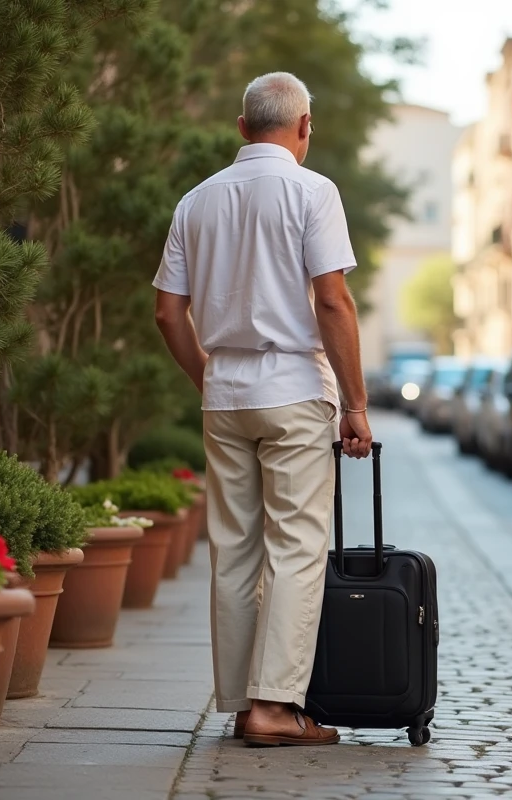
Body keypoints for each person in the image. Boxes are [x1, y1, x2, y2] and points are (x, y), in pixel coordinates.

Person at [153, 72, 371, 748]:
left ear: (242, 128)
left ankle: (241, 702)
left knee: (234, 549)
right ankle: (274, 707)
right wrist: (356, 405)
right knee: (296, 546)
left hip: (226, 396)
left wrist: (207, 377)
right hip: (293, 391)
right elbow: (332, 300)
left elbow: (167, 313)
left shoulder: (196, 201)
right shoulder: (312, 191)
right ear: (304, 127)